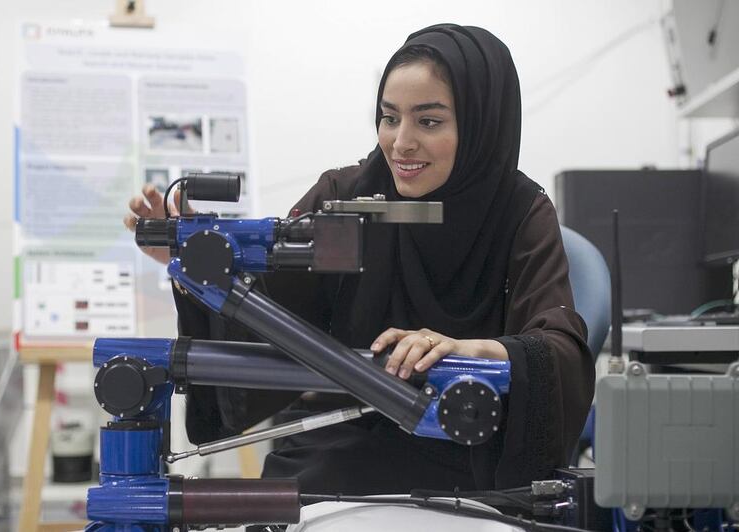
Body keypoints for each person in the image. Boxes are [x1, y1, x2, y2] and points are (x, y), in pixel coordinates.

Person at [124, 23, 594, 493]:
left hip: (470, 447)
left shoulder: (520, 212)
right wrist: (197, 271)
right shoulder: (345, 198)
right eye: (390, 118)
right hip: (343, 444)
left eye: (428, 121)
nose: (401, 142)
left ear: (481, 124)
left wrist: (470, 349)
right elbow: (264, 320)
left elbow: (559, 350)